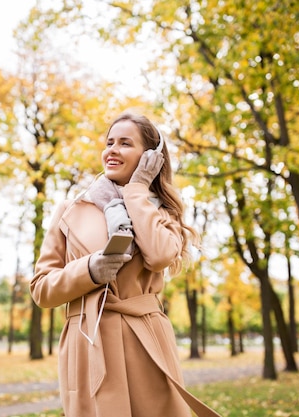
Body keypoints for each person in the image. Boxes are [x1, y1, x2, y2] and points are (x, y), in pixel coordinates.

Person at [30, 112, 220, 417]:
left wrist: (137, 191)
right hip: (88, 343)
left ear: (150, 157)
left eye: (125, 143)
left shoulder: (162, 211)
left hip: (145, 340)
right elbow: (41, 289)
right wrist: (89, 271)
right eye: (109, 142)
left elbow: (159, 255)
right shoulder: (71, 209)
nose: (112, 150)